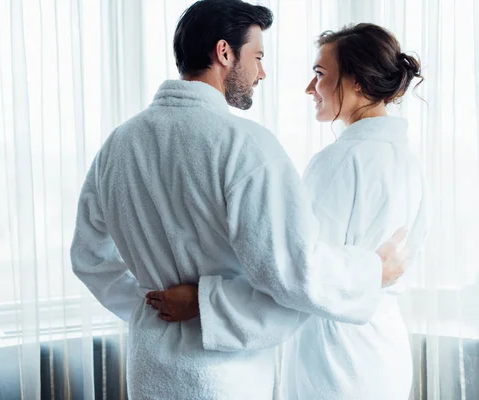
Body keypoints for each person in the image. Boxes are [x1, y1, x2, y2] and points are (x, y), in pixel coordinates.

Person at [70, 1, 408, 398]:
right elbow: (294, 271)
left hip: (149, 372)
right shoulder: (246, 147)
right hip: (222, 379)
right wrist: (370, 272)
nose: (262, 72)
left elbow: (89, 259)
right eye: (258, 57)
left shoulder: (118, 144)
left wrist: (150, 308)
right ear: (225, 53)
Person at [146, 23, 430, 400]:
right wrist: (373, 273)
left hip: (337, 361)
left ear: (358, 81)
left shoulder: (338, 161)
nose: (310, 89)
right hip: (385, 351)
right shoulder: (409, 162)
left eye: (320, 75)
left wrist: (204, 303)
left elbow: (299, 275)